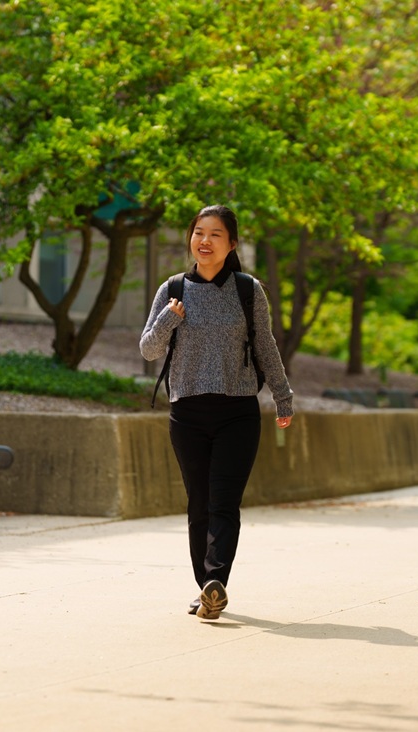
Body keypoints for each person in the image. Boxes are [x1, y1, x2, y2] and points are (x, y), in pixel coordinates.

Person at [140, 204, 294, 621]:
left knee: (224, 502)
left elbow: (265, 347)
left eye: (215, 235)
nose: (204, 241)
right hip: (187, 411)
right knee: (199, 503)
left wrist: (283, 397)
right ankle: (205, 586)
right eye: (198, 233)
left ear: (232, 244)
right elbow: (149, 350)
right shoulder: (173, 288)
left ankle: (216, 581)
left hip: (237, 412)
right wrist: (169, 321)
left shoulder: (248, 290)